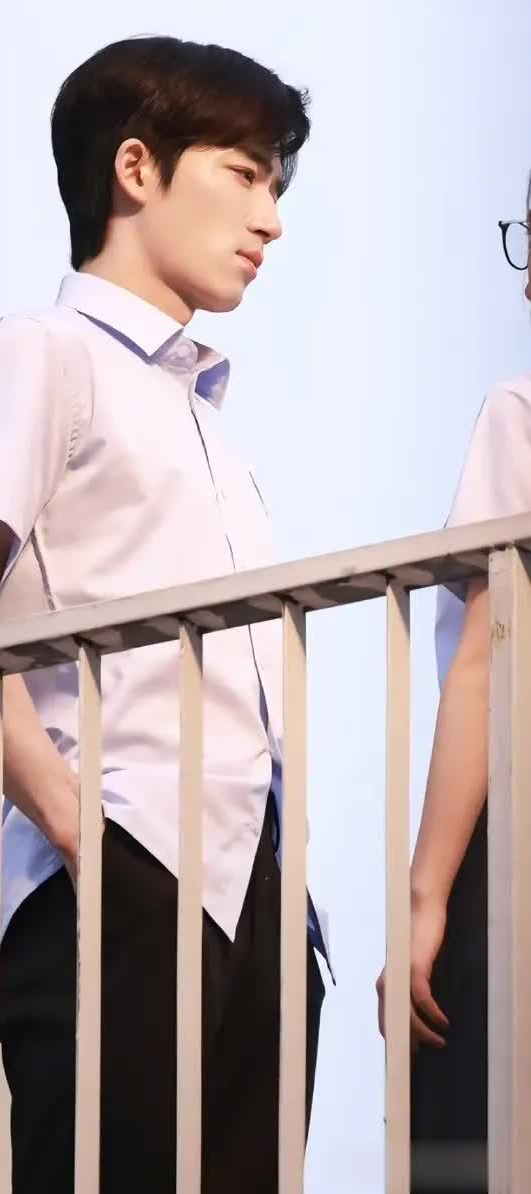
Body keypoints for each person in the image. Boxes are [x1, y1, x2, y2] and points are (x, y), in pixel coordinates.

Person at [0, 36, 330, 1193]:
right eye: (245, 173)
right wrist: (82, 825)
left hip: (258, 899)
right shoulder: (39, 352)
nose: (272, 217)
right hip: (123, 869)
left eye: (276, 182)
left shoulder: (208, 421)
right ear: (137, 167)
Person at [376, 173, 531, 1194]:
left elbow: (490, 653)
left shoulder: (521, 411)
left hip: (514, 848)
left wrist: (425, 896)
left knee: (475, 1134)